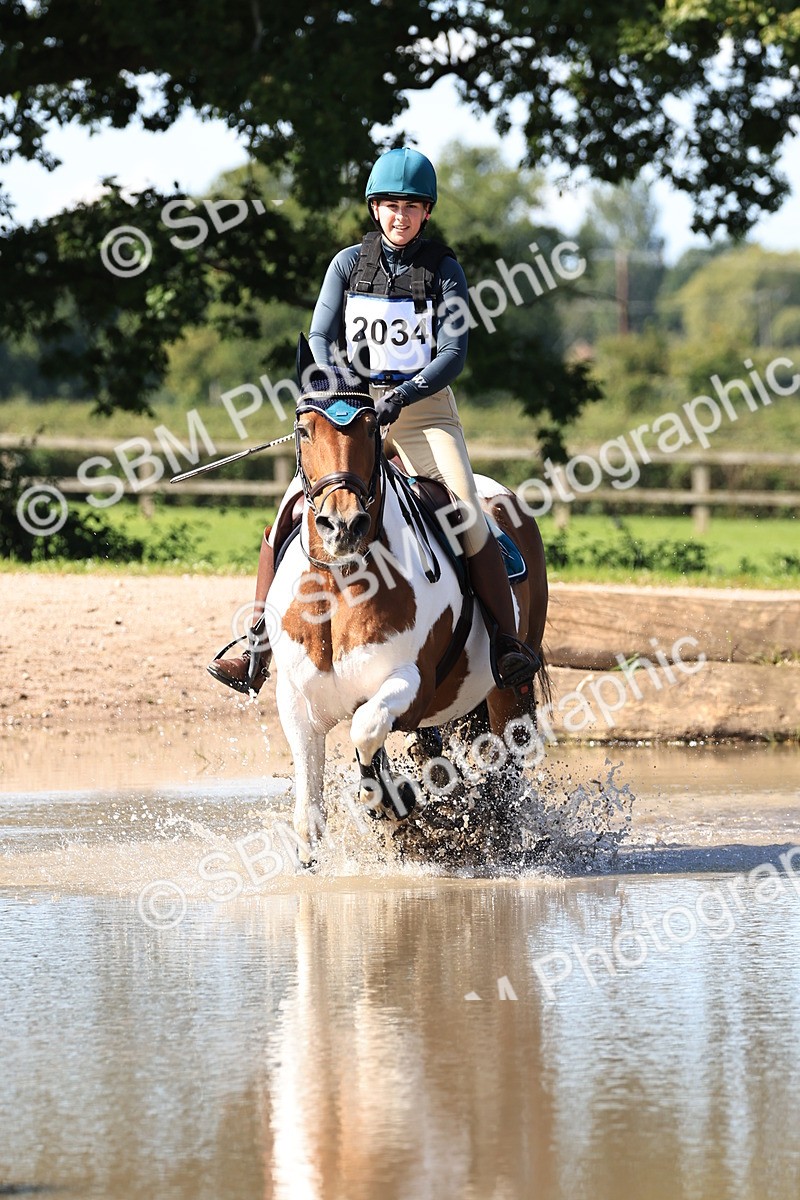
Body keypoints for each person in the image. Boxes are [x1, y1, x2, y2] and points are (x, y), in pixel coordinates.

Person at [208, 147, 540, 695]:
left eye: (411, 207)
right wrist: (341, 384)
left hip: (424, 413)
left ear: (426, 213)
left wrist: (404, 394)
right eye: (390, 206)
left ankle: (506, 643)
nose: (400, 217)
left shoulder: (444, 270)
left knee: (467, 514)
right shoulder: (346, 264)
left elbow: (453, 352)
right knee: (291, 509)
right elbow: (318, 335)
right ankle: (258, 645)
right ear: (374, 208)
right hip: (354, 412)